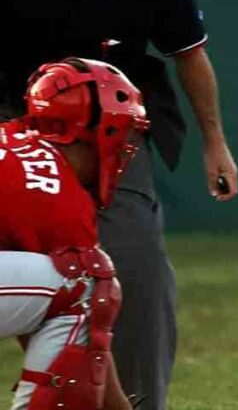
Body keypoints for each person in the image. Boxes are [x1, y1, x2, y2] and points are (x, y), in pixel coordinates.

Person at [0, 0, 238, 408]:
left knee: (133, 267)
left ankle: (140, 400)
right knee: (70, 276)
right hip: (13, 110)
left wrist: (215, 143)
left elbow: (189, 54)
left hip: (114, 123)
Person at [0, 57, 150, 410]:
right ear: (99, 130)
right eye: (123, 132)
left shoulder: (11, 137)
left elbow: (44, 316)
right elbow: (83, 315)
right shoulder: (58, 192)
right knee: (87, 279)